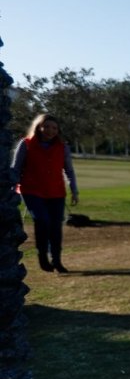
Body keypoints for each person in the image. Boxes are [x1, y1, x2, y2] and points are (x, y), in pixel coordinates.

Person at [13, 113, 79, 273]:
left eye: (54, 128)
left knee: (56, 227)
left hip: (56, 192)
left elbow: (69, 170)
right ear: (39, 127)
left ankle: (57, 260)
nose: (50, 130)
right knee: (42, 221)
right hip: (32, 191)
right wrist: (11, 189)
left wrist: (74, 190)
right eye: (47, 127)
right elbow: (15, 168)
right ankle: (43, 256)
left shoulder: (63, 147)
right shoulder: (26, 144)